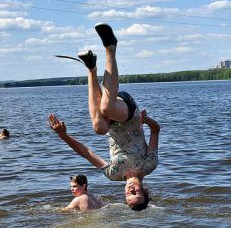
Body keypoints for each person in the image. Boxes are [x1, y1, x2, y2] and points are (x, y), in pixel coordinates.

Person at [48, 23, 160, 211]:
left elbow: (87, 153)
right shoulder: (149, 165)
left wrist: (63, 136)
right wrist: (146, 121)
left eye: (128, 195)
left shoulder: (113, 173)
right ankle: (111, 47)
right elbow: (156, 130)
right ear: (145, 190)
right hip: (129, 114)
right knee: (107, 108)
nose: (131, 191)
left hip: (111, 124)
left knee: (99, 128)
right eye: (137, 193)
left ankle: (91, 68)